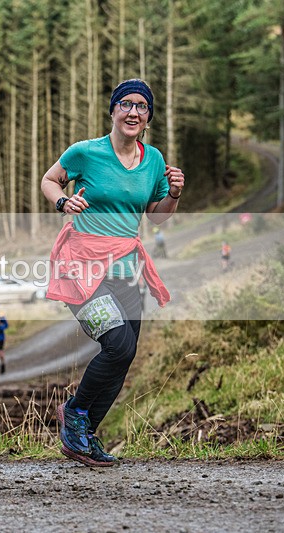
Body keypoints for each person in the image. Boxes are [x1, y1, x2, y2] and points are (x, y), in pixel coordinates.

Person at [40, 79, 184, 467]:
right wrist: (62, 201)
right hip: (81, 268)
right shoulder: (86, 152)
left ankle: (84, 435)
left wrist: (172, 194)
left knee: (124, 354)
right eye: (126, 104)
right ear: (113, 111)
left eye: (141, 106)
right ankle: (73, 413)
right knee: (118, 344)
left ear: (148, 116)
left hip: (125, 270)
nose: (133, 112)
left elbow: (157, 221)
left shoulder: (153, 160)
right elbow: (49, 179)